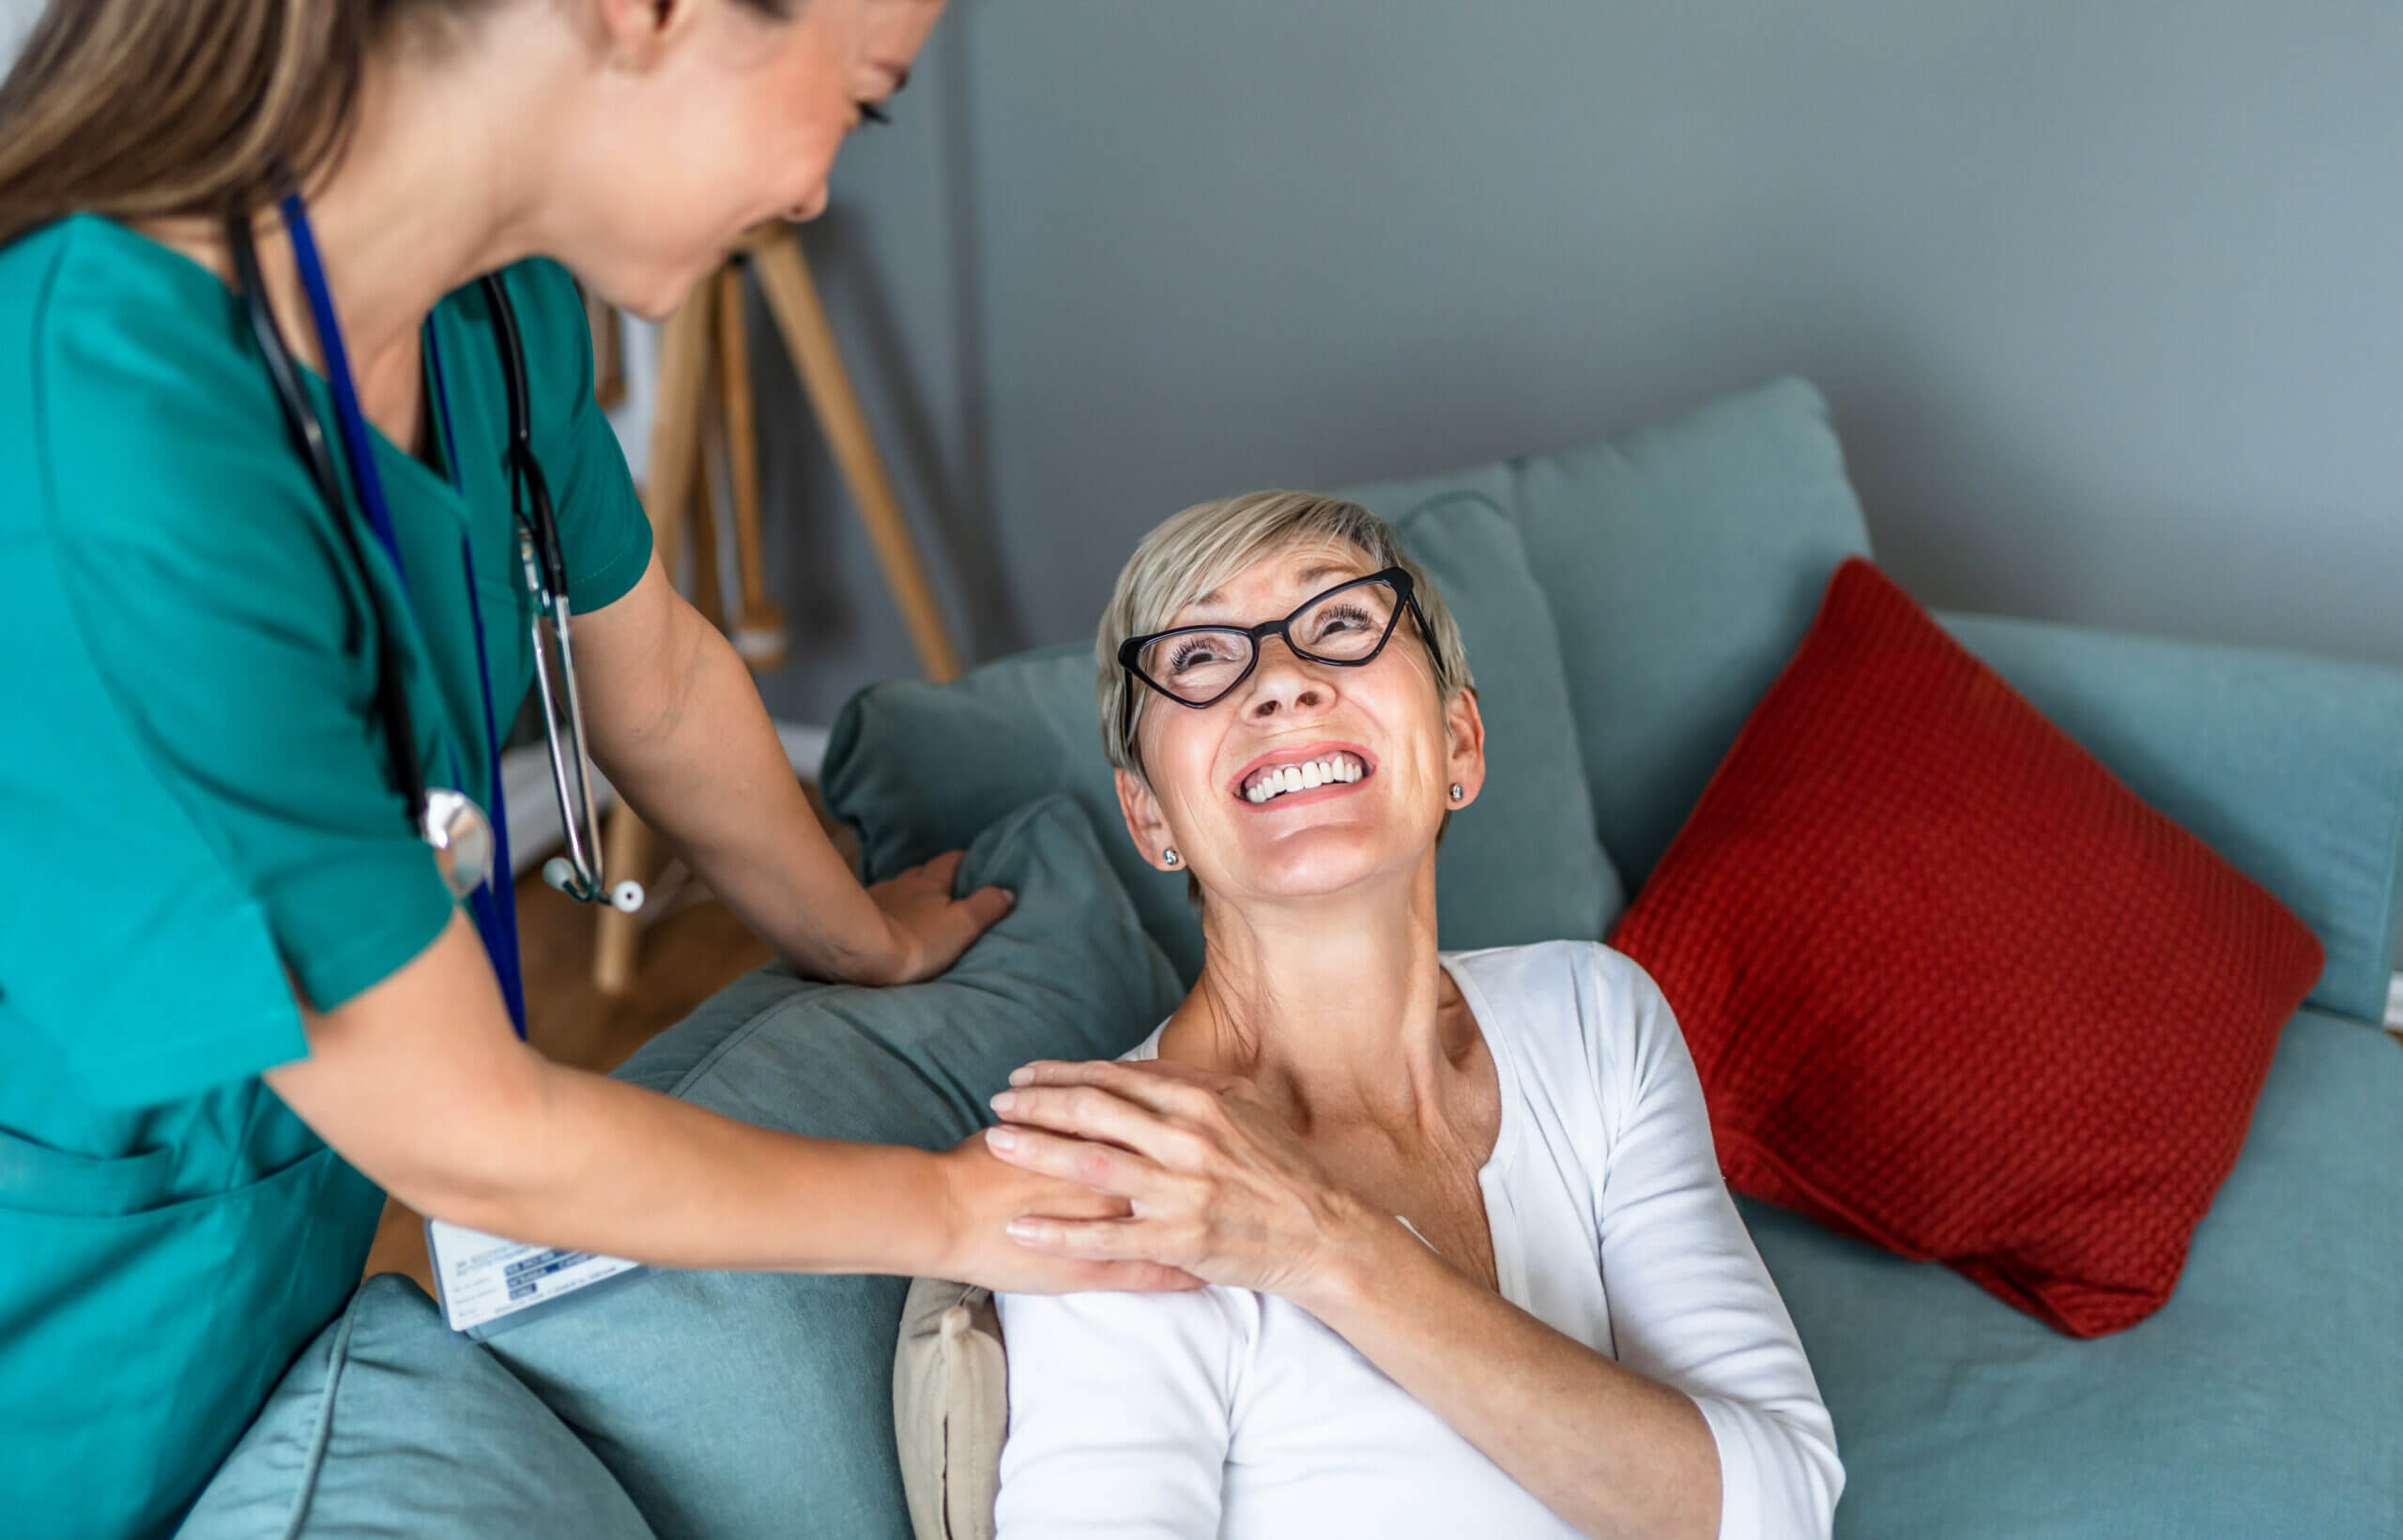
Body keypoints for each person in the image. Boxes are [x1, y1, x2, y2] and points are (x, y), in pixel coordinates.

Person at [0, 3, 1181, 1535]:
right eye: (866, 98)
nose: (825, 186)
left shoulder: (497, 314)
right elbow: (469, 1131)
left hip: (263, 1240)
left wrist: (854, 932)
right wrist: (964, 1207)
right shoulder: (108, 427)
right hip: (60, 1309)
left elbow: (661, 675)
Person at [980, 492, 1844, 1538]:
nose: (1283, 682)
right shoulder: (1123, 1180)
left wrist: (1334, 1250)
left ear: (1460, 742)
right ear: (1149, 815)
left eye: (1340, 622)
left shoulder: (1591, 1016)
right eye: (1202, 656)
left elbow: (1780, 1509)